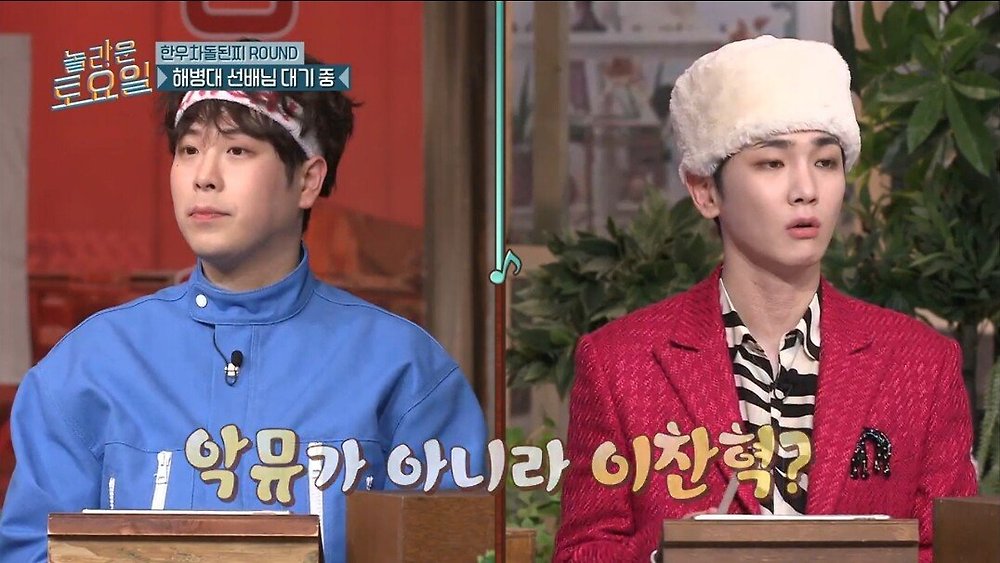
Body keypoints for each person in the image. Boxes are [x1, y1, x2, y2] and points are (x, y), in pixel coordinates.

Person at [0, 47, 487, 563]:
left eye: (237, 150)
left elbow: (452, 548)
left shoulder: (404, 370)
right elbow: (33, 549)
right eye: (189, 149)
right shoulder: (88, 366)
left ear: (308, 180)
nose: (204, 176)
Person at [553, 35, 978, 562]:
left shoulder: (921, 363)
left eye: (825, 162)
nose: (806, 189)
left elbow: (952, 548)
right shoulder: (620, 363)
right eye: (772, 164)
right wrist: (678, 553)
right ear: (705, 191)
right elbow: (584, 550)